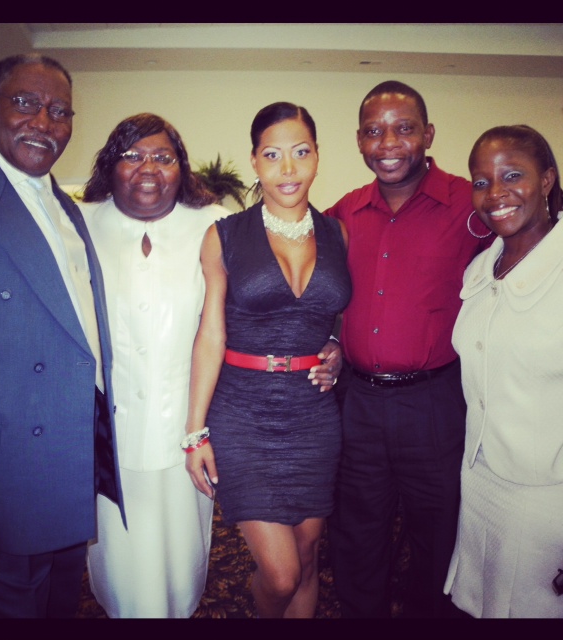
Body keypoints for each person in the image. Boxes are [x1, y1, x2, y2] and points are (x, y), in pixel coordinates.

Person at [0, 54, 124, 618]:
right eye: (25, 103)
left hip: (67, 475)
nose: (43, 121)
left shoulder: (65, 207)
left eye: (59, 111)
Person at [325, 80, 493, 618]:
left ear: (428, 134)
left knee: (438, 533)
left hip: (435, 402)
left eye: (404, 129)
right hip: (360, 403)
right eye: (374, 131)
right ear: (359, 140)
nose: (389, 143)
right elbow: (307, 277)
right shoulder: (345, 212)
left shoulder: (470, 203)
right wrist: (330, 337)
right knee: (357, 532)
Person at [185, 102, 352, 618]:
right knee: (280, 574)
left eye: (301, 152)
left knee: (307, 555)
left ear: (317, 156)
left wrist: (337, 346)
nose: (288, 168)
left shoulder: (337, 233)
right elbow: (210, 334)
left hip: (313, 414)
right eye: (273, 155)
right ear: (254, 161)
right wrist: (195, 432)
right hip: (243, 414)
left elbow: (337, 313)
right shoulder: (225, 235)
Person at [79, 113, 230, 618]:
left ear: (181, 167)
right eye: (132, 156)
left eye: (163, 157)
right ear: (110, 165)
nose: (148, 168)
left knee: (179, 556)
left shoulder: (213, 225)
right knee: (120, 561)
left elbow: (248, 309)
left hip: (187, 427)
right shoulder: (81, 223)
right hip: (107, 433)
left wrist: (328, 341)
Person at [444, 125, 563, 618]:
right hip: (480, 481)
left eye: (513, 175)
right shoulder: (480, 269)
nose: (495, 193)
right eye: (481, 181)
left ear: (547, 180)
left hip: (546, 502)